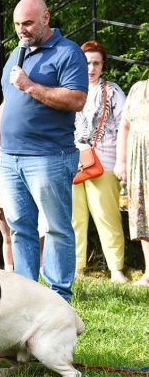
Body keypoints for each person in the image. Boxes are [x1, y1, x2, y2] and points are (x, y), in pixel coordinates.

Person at [0, 0, 88, 302]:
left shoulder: (68, 53)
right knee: (20, 228)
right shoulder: (18, 52)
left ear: (45, 17)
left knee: (55, 229)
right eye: (17, 24)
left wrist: (30, 85)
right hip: (11, 159)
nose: (21, 30)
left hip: (49, 156)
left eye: (27, 23)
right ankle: (25, 297)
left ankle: (57, 298)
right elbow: (7, 103)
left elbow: (76, 99)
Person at [72, 41, 127, 281]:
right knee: (74, 219)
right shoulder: (70, 88)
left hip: (103, 162)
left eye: (96, 63)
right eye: (86, 63)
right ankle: (77, 269)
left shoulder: (112, 91)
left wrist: (121, 160)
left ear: (103, 65)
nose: (91, 68)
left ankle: (116, 269)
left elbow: (126, 126)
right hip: (72, 162)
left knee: (107, 217)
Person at [115, 78, 149, 286]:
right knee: (143, 217)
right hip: (138, 166)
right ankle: (148, 273)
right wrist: (121, 161)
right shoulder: (137, 88)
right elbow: (124, 126)